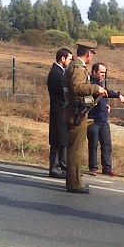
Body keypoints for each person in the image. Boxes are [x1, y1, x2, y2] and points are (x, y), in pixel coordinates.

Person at [64, 39, 108, 194]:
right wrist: (96, 88)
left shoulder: (77, 66)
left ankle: (75, 180)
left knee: (75, 148)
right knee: (75, 149)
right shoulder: (77, 67)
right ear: (89, 53)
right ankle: (74, 183)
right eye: (92, 54)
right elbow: (77, 88)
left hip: (77, 111)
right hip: (76, 113)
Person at [87, 63, 124, 177]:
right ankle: (93, 167)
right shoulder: (90, 84)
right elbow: (103, 93)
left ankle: (107, 167)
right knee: (93, 144)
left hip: (103, 119)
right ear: (94, 72)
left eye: (104, 73)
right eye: (101, 72)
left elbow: (104, 96)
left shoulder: (101, 83)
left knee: (106, 144)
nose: (103, 75)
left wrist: (106, 106)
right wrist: (118, 95)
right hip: (93, 119)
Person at [47, 48, 73, 179]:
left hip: (62, 110)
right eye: (69, 59)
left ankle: (63, 166)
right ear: (62, 58)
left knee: (63, 139)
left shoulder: (60, 73)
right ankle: (55, 168)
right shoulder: (56, 74)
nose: (70, 62)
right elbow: (64, 93)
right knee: (58, 139)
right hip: (59, 110)